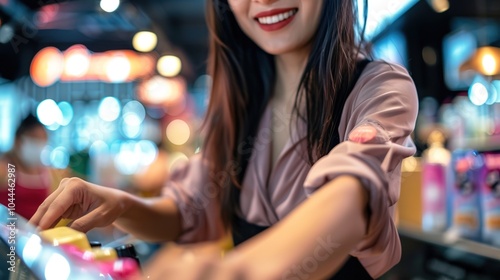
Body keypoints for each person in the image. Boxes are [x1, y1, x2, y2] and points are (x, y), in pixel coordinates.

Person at [30, 0, 418, 278]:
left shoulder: (378, 87)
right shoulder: (241, 103)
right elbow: (188, 211)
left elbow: (354, 193)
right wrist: (118, 204)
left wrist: (231, 270)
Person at [0, 115, 66, 220]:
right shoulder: (4, 169)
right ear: (18, 141)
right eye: (34, 139)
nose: (39, 145)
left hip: (37, 233)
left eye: (42, 139)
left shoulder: (49, 174)